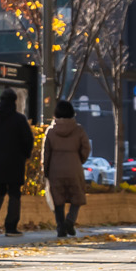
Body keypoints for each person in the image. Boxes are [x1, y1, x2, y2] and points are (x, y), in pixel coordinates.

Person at [0, 88, 36, 235]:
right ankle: (10, 227)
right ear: (14, 102)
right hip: (16, 162)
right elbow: (28, 140)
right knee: (14, 193)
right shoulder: (19, 119)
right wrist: (25, 154)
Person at [42, 98, 91, 236]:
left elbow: (46, 153)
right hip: (74, 167)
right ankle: (70, 220)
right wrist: (79, 160)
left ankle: (60, 227)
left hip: (55, 169)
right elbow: (86, 148)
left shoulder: (51, 131)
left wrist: (45, 171)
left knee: (58, 199)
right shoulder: (79, 130)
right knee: (77, 197)